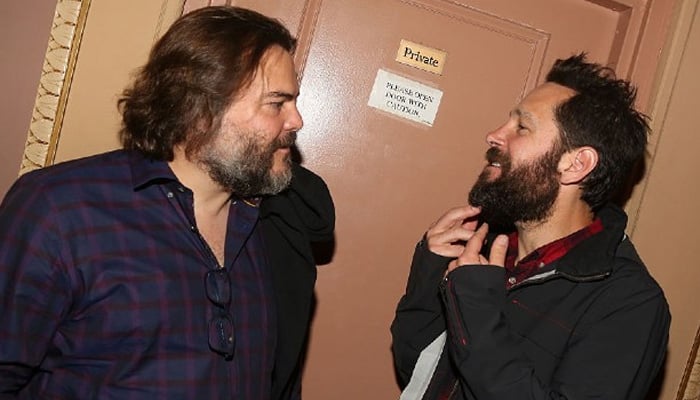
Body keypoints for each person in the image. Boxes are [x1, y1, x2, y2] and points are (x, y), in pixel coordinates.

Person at [0, 6, 334, 399]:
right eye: (277, 103)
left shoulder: (270, 229)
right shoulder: (59, 210)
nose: (296, 120)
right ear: (201, 111)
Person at [391, 54, 670, 399]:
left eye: (521, 127)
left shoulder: (629, 303)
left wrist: (477, 310)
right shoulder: (484, 249)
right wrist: (430, 271)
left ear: (576, 164)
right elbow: (416, 369)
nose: (494, 135)